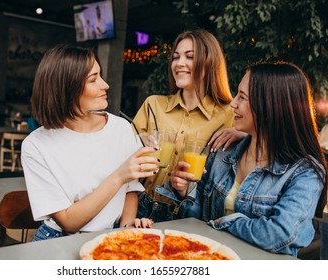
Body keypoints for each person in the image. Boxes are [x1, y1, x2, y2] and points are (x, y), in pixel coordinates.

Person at [167, 61, 327, 256]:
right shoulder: (223, 150)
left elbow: (280, 234)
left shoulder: (305, 172)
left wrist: (225, 222)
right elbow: (197, 217)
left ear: (270, 106)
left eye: (241, 97)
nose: (233, 103)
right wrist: (184, 192)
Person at [21, 44, 158, 241]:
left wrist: (126, 229)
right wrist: (119, 175)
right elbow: (68, 222)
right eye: (93, 79)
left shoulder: (120, 128)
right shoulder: (36, 146)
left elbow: (131, 190)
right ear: (66, 89)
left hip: (112, 235)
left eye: (100, 75)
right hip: (59, 238)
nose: (105, 85)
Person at [132, 29, 244, 222]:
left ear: (210, 63)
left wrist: (244, 134)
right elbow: (121, 156)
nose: (179, 63)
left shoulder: (229, 115)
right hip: (139, 206)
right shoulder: (153, 105)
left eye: (189, 57)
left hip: (186, 214)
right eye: (176, 57)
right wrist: (138, 141)